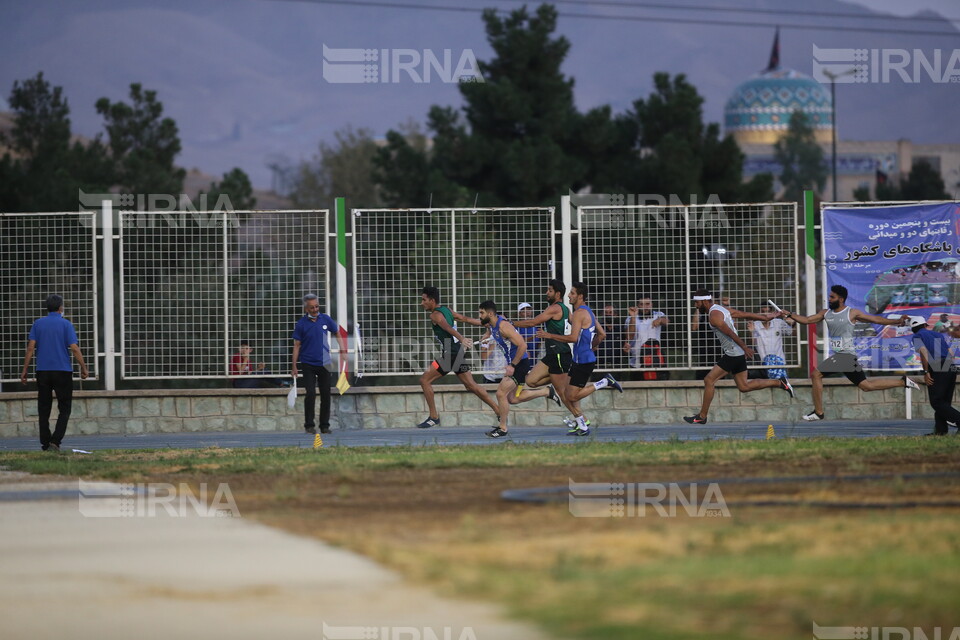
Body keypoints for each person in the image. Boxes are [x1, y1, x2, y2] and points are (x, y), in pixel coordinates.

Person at [785, 284, 917, 421]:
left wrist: (897, 321)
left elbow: (876, 319)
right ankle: (903, 382)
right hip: (843, 357)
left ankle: (818, 412)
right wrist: (790, 315)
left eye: (832, 297)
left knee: (816, 374)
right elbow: (807, 320)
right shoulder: (825, 313)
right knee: (866, 386)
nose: (829, 299)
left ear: (841, 299)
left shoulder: (852, 313)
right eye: (829, 296)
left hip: (846, 356)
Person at [683, 290, 795, 425]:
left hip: (733, 354)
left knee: (709, 380)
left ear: (705, 301)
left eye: (697, 302)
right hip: (737, 353)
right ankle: (780, 382)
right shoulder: (721, 309)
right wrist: (770, 316)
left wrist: (744, 347)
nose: (695, 305)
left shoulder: (714, 316)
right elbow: (745, 314)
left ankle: (702, 416)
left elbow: (730, 333)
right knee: (744, 386)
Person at [464, 301, 561, 438]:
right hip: (517, 364)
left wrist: (512, 366)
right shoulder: (493, 325)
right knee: (513, 398)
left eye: (481, 313)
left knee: (500, 393)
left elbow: (522, 345)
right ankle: (546, 391)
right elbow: (470, 320)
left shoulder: (504, 326)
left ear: (490, 314)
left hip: (520, 364)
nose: (479, 316)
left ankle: (502, 428)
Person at [536, 282, 622, 436]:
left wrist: (550, 335)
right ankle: (582, 426)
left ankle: (605, 382)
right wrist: (591, 346)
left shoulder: (578, 313)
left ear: (580, 296)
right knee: (567, 395)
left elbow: (573, 338)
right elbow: (602, 334)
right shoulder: (589, 311)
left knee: (571, 396)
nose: (569, 295)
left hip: (583, 362)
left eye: (572, 293)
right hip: (580, 360)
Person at [417, 286, 500, 428]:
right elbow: (465, 319)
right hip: (456, 354)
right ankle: (499, 411)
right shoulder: (447, 310)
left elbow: (447, 328)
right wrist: (488, 323)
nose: (421, 303)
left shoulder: (435, 315)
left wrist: (461, 338)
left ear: (432, 300)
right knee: (471, 385)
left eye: (424, 300)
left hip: (450, 355)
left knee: (425, 380)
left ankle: (434, 417)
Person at [20, 294, 89, 452]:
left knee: (43, 408)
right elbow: (74, 348)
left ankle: (45, 442)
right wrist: (83, 368)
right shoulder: (66, 324)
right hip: (62, 371)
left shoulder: (38, 324)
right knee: (64, 408)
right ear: (60, 308)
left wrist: (25, 370)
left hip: (43, 371)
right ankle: (55, 441)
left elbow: (30, 348)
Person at [513, 280, 580, 424]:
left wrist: (510, 323)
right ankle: (550, 389)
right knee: (531, 381)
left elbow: (533, 322)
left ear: (557, 293)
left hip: (559, 355)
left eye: (549, 290)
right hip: (551, 355)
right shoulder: (565, 309)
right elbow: (575, 324)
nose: (546, 293)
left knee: (563, 394)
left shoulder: (555, 308)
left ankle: (582, 420)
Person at [292, 293, 346, 435]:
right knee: (310, 394)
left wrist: (343, 350)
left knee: (325, 394)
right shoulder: (301, 324)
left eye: (317, 306)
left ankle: (324, 425)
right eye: (312, 307)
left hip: (324, 363)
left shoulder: (325, 319)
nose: (315, 309)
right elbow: (297, 346)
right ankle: (309, 425)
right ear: (306, 309)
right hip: (308, 363)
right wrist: (294, 366)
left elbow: (337, 333)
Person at [907, 316, 960, 436]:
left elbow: (924, 352)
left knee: (936, 401)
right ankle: (941, 430)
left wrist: (926, 372)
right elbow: (950, 352)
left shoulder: (917, 336)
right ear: (926, 325)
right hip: (949, 365)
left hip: (937, 366)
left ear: (913, 328)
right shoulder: (938, 335)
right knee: (944, 402)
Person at [626, 295, 669, 379]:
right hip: (637, 360)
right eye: (641, 304)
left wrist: (660, 320)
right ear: (638, 306)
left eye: (647, 304)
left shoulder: (658, 314)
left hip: (655, 360)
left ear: (652, 304)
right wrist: (633, 318)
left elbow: (667, 321)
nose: (645, 307)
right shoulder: (630, 318)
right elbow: (629, 336)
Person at [750, 303, 796, 379]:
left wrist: (793, 323)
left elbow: (792, 333)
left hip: (780, 363)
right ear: (758, 313)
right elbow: (752, 344)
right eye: (763, 311)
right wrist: (751, 332)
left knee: (783, 386)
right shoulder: (755, 324)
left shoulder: (778, 322)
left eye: (768, 311)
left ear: (772, 313)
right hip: (762, 365)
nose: (765, 314)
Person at [598, 304, 626, 370]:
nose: (608, 315)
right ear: (602, 314)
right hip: (599, 366)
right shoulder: (597, 329)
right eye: (606, 313)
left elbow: (624, 347)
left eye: (610, 312)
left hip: (617, 366)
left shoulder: (620, 330)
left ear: (615, 315)